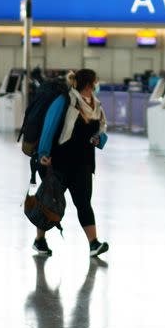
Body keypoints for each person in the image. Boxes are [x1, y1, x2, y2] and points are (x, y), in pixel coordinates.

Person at [33, 69, 109, 258]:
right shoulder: (65, 101)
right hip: (60, 162)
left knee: (84, 203)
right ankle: (39, 240)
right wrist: (43, 153)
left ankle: (94, 244)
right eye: (95, 82)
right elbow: (49, 127)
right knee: (50, 203)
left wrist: (99, 140)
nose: (97, 85)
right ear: (89, 84)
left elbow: (102, 132)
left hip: (83, 164)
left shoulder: (96, 105)